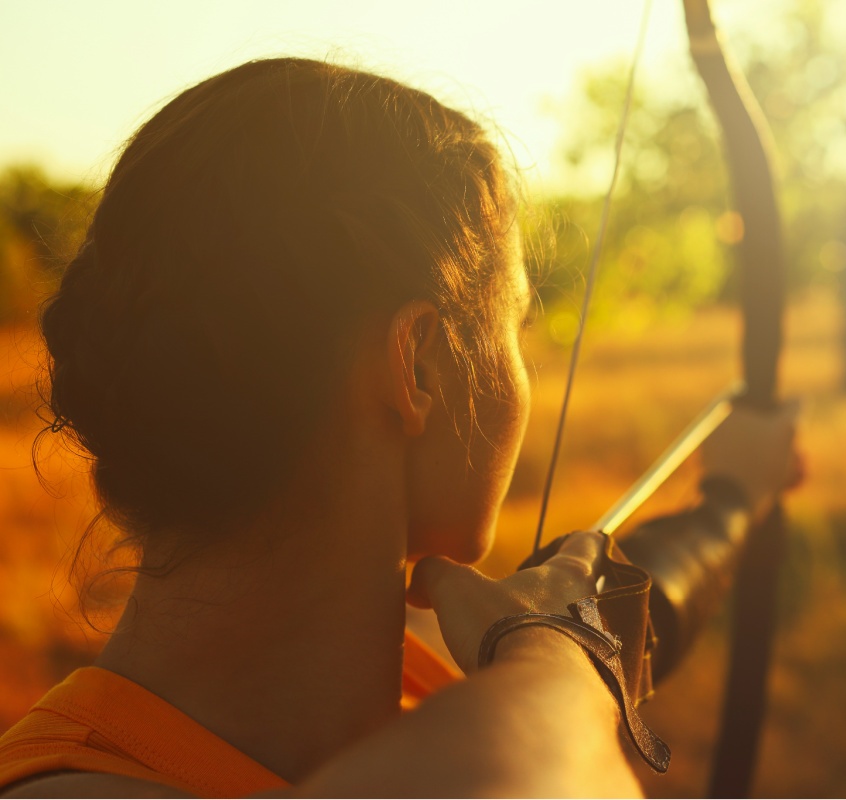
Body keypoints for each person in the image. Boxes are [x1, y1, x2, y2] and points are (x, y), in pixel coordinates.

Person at [0, 58, 799, 798]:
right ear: (417, 367)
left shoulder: (450, 684)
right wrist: (556, 653)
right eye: (514, 328)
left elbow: (635, 617)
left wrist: (730, 501)